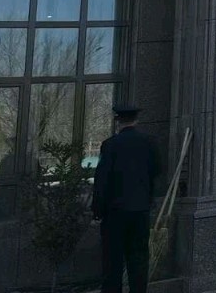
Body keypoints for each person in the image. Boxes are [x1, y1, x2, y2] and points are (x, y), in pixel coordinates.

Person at [92, 104, 160, 293]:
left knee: (112, 261)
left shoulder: (110, 144)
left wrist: (97, 209)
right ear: (136, 120)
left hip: (115, 212)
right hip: (140, 210)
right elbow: (156, 171)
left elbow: (102, 179)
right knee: (138, 260)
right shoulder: (149, 143)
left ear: (118, 121)